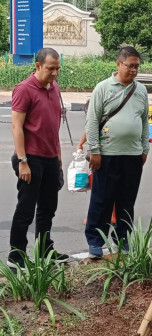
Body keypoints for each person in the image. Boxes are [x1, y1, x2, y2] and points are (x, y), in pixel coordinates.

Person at [85, 46, 149, 259]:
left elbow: (144, 121)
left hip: (132, 155)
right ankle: (95, 241)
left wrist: (145, 148)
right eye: (130, 66)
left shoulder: (141, 90)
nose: (133, 70)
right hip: (106, 154)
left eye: (137, 66)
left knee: (126, 201)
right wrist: (94, 149)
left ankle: (122, 239)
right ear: (118, 64)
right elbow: (92, 120)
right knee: (102, 200)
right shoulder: (103, 88)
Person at [8, 47, 69, 270]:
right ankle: (16, 255)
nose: (55, 73)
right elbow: (16, 126)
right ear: (38, 66)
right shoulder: (24, 89)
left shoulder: (54, 88)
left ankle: (44, 250)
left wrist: (59, 157)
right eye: (50, 69)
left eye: (58, 69)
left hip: (50, 157)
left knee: (48, 208)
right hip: (30, 158)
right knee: (26, 208)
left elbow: (53, 125)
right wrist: (22, 160)